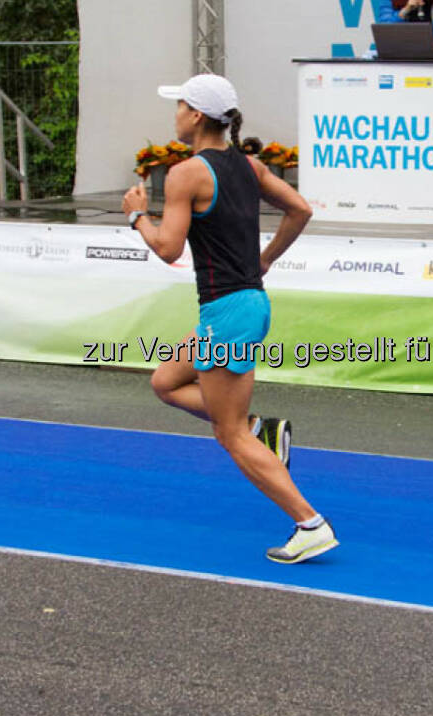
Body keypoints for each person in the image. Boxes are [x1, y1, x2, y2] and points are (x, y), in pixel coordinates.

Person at [121, 73, 338, 565]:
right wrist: (266, 260)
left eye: (179, 105)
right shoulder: (249, 166)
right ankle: (262, 427)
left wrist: (138, 216)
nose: (174, 113)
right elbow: (300, 209)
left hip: (228, 313)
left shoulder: (186, 174)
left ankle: (310, 523)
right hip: (244, 305)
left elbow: (168, 248)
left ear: (196, 115)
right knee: (165, 381)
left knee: (228, 433)